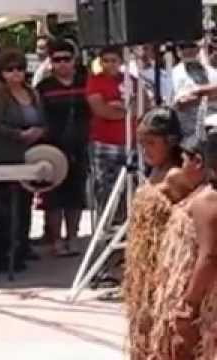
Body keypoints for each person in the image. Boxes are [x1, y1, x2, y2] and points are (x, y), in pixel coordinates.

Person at [122, 107, 185, 360]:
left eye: (151, 143)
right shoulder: (153, 172)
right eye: (142, 143)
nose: (145, 150)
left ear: (170, 142)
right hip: (144, 268)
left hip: (164, 268)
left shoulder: (176, 178)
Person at [149, 134, 214, 360]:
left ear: (197, 162)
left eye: (183, 160)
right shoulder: (202, 194)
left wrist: (189, 306)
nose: (181, 167)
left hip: (205, 302)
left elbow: (209, 256)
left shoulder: (207, 201)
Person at [0, 49, 46, 267]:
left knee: (25, 200)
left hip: (28, 154)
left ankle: (23, 243)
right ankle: (5, 246)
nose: (15, 74)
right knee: (5, 203)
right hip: (4, 153)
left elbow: (41, 117)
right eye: (9, 69)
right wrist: (18, 134)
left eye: (19, 69)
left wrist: (39, 130)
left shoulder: (32, 93)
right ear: (1, 72)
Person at [36, 39, 90, 256]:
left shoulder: (84, 82)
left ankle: (73, 238)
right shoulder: (44, 87)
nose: (62, 64)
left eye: (66, 59)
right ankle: (56, 240)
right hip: (52, 146)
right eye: (56, 60)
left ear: (74, 60)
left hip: (79, 146)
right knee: (53, 197)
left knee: (76, 196)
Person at [86, 45, 136, 220]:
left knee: (130, 189)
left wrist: (118, 107)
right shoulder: (95, 81)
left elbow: (143, 106)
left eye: (113, 61)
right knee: (105, 188)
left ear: (121, 62)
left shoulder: (131, 80)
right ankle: (106, 225)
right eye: (105, 61)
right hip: (104, 142)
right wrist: (124, 110)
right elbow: (100, 110)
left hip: (129, 141)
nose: (109, 65)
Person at [172, 41, 217, 139]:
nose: (188, 50)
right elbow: (181, 103)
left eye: (192, 45)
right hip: (191, 133)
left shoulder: (212, 72)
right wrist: (211, 93)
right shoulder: (174, 74)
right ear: (178, 51)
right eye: (183, 47)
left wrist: (197, 92)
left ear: (198, 48)